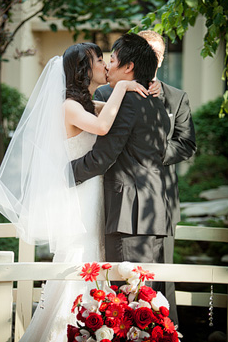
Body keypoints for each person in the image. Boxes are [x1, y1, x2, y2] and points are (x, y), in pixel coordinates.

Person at [0, 42, 151, 341]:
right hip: (80, 197)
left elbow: (110, 113)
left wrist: (144, 89)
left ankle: (92, 327)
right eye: (100, 60)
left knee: (94, 258)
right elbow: (101, 126)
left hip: (93, 193)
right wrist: (123, 87)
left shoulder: (83, 104)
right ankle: (66, 329)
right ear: (85, 69)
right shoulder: (68, 106)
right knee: (79, 257)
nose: (106, 66)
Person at [94, 30, 196, 324]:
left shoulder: (176, 98)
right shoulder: (106, 92)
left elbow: (187, 143)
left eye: (158, 54)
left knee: (161, 278)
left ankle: (164, 328)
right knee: (123, 276)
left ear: (160, 60)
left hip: (162, 199)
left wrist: (151, 149)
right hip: (122, 198)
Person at [71, 33, 170, 271]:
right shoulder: (154, 101)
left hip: (130, 218)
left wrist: (64, 172)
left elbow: (102, 157)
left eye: (113, 60)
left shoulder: (127, 101)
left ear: (129, 67)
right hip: (151, 214)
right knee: (142, 300)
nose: (108, 67)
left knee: (126, 298)